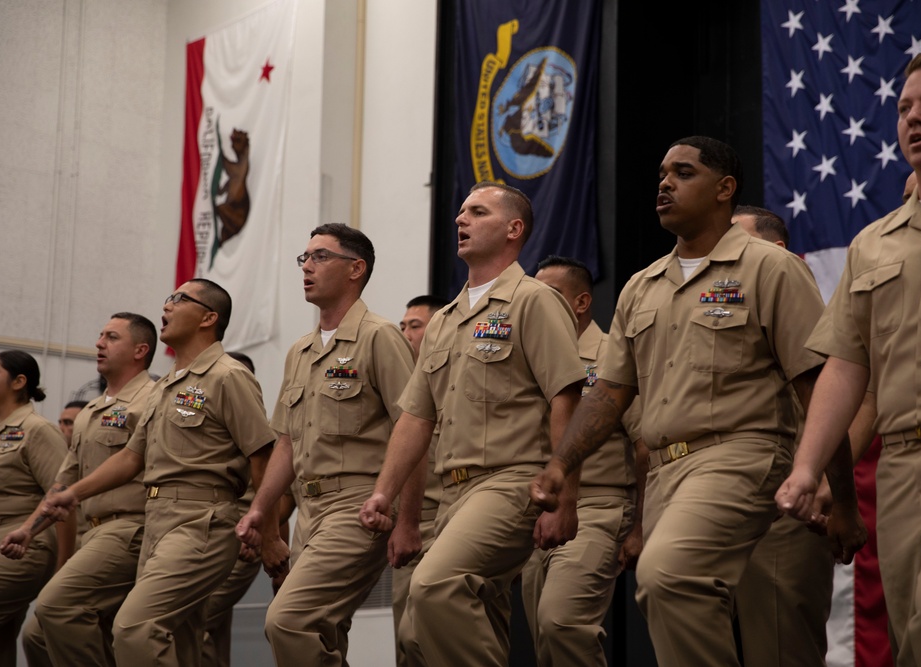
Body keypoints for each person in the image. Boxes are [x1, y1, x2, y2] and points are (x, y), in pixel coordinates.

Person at [530, 137, 865, 666]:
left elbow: (818, 390)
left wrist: (842, 497)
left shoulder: (769, 268)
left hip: (744, 454)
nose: (665, 183)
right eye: (662, 174)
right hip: (667, 472)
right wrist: (561, 464)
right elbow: (610, 393)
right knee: (670, 599)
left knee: (673, 578)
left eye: (683, 173)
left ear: (724, 189)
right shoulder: (642, 287)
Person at [777, 50, 921, 666]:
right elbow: (847, 367)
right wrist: (807, 469)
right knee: (914, 635)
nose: (914, 118)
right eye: (905, 108)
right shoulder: (872, 244)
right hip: (904, 469)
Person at [360, 182, 587, 666]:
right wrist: (384, 491)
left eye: (477, 212)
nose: (460, 219)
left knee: (435, 586)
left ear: (513, 229)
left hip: (511, 483)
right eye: (460, 211)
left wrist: (565, 498)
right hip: (454, 493)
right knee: (437, 627)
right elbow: (416, 418)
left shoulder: (534, 300)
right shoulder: (443, 320)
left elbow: (565, 400)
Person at [40, 279, 281, 667]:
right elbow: (130, 458)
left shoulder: (228, 375)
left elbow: (262, 457)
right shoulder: (165, 385)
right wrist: (73, 493)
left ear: (209, 318)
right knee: (185, 646)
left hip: (201, 521)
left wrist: (269, 535)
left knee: (134, 628)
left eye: (179, 299)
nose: (166, 306)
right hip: (157, 522)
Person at [236, 223, 416, 666]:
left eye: (320, 257)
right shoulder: (300, 350)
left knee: (289, 620)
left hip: (358, 506)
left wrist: (407, 519)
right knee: (325, 632)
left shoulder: (379, 336)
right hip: (309, 512)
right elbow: (286, 442)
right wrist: (262, 510)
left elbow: (413, 428)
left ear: (356, 269)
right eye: (305, 258)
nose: (306, 267)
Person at [0, 314, 156, 667]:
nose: (99, 343)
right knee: (37, 634)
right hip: (93, 531)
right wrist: (28, 529)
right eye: (100, 336)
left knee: (57, 605)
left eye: (112, 337)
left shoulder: (153, 400)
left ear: (139, 350)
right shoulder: (90, 412)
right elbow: (61, 483)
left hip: (132, 528)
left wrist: (71, 496)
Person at [521, 255, 643, 667]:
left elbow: (645, 446)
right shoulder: (529, 354)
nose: (540, 302)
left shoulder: (613, 356)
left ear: (581, 302)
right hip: (537, 510)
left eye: (552, 295)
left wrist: (641, 527)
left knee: (562, 623)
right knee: (544, 641)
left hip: (598, 507)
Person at [730, 206, 836, 667]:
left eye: (734, 242)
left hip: (783, 497)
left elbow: (828, 397)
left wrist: (830, 485)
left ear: (778, 254)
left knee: (778, 644)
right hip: (715, 494)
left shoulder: (785, 287)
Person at [0, 351, 71, 664]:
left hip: (17, 545)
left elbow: (61, 495)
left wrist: (62, 568)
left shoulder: (37, 429)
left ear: (19, 381)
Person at [393, 294, 448, 667]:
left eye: (415, 325)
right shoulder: (400, 384)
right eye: (403, 326)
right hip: (409, 521)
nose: (406, 333)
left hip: (451, 515)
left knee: (439, 635)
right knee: (406, 643)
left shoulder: (455, 376)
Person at [200, 350, 263, 667]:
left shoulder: (262, 430)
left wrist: (263, 534)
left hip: (241, 540)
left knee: (194, 621)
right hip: (203, 536)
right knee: (213, 629)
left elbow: (284, 494)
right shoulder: (212, 427)